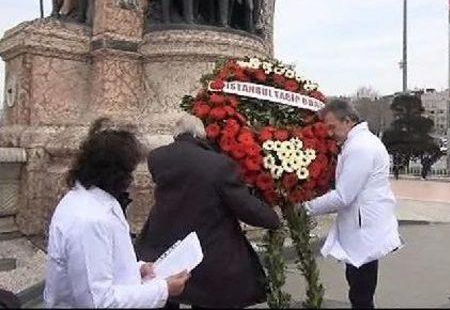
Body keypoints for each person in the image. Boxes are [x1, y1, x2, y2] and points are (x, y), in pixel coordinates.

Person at [135, 114, 281, 308]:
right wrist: (272, 218)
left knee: (167, 295)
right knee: (207, 299)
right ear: (200, 135)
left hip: (165, 244)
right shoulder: (218, 165)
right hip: (208, 249)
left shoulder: (157, 158)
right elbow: (244, 206)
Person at [44, 118, 190, 308]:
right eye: (128, 172)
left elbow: (106, 265)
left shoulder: (96, 201)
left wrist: (139, 270)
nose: (130, 179)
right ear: (115, 173)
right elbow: (98, 302)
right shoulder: (89, 219)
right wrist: (164, 289)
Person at [302, 100, 402, 309]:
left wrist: (305, 208)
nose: (329, 133)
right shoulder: (359, 143)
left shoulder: (360, 147)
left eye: (332, 126)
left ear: (348, 121)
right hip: (362, 226)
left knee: (361, 294)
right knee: (359, 289)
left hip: (363, 229)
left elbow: (343, 196)